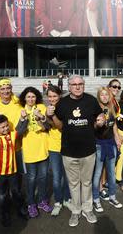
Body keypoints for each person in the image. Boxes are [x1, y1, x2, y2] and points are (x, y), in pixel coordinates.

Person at [47, 75, 105, 227]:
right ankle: (76, 211)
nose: (77, 87)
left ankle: (87, 209)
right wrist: (52, 115)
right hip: (68, 151)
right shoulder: (63, 103)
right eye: (74, 84)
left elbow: (99, 116)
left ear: (84, 85)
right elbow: (59, 126)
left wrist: (101, 121)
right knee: (73, 184)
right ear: (69, 86)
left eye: (80, 84)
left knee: (86, 182)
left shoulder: (91, 100)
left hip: (88, 150)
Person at [0, 114, 27, 227]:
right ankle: (4, 213)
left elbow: (21, 129)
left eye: (6, 126)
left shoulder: (12, 135)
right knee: (2, 194)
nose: (5, 129)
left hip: (12, 171)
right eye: (2, 127)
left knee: (16, 191)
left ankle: (20, 209)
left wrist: (23, 118)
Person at [18, 86, 52, 218]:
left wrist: (41, 117)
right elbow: (19, 132)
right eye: (28, 97)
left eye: (33, 96)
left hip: (43, 148)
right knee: (31, 179)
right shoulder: (21, 110)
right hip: (29, 150)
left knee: (43, 178)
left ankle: (42, 201)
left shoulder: (41, 108)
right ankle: (31, 203)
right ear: (24, 98)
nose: (31, 99)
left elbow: (48, 127)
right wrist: (23, 119)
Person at [92, 87, 123, 213]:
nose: (104, 97)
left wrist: (117, 139)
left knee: (111, 172)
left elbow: (114, 124)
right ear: (99, 96)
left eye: (106, 95)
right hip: (99, 144)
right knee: (98, 173)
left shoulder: (111, 107)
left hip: (111, 143)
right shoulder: (95, 109)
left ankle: (112, 197)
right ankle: (95, 199)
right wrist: (97, 124)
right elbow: (93, 126)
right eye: (102, 95)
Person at [45, 85, 72, 216]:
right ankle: (58, 201)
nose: (52, 98)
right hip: (53, 147)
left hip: (67, 145)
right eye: (49, 96)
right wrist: (45, 116)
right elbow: (47, 125)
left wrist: (53, 115)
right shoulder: (47, 109)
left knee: (67, 176)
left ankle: (67, 199)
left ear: (60, 96)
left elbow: (62, 127)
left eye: (55, 96)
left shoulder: (66, 107)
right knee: (56, 177)